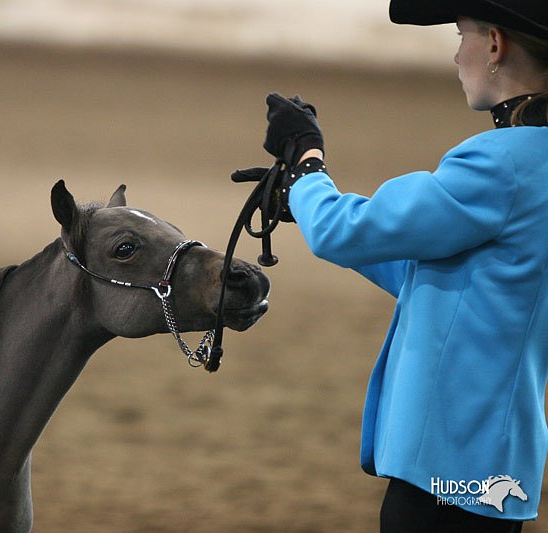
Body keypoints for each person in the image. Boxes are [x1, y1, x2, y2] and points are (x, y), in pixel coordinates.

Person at [234, 1, 548, 531]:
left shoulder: (499, 164)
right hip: (490, 461)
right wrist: (306, 203)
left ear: (495, 45)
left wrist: (307, 163)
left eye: (461, 35)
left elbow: (344, 231)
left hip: (446, 458)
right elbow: (439, 276)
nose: (455, 55)